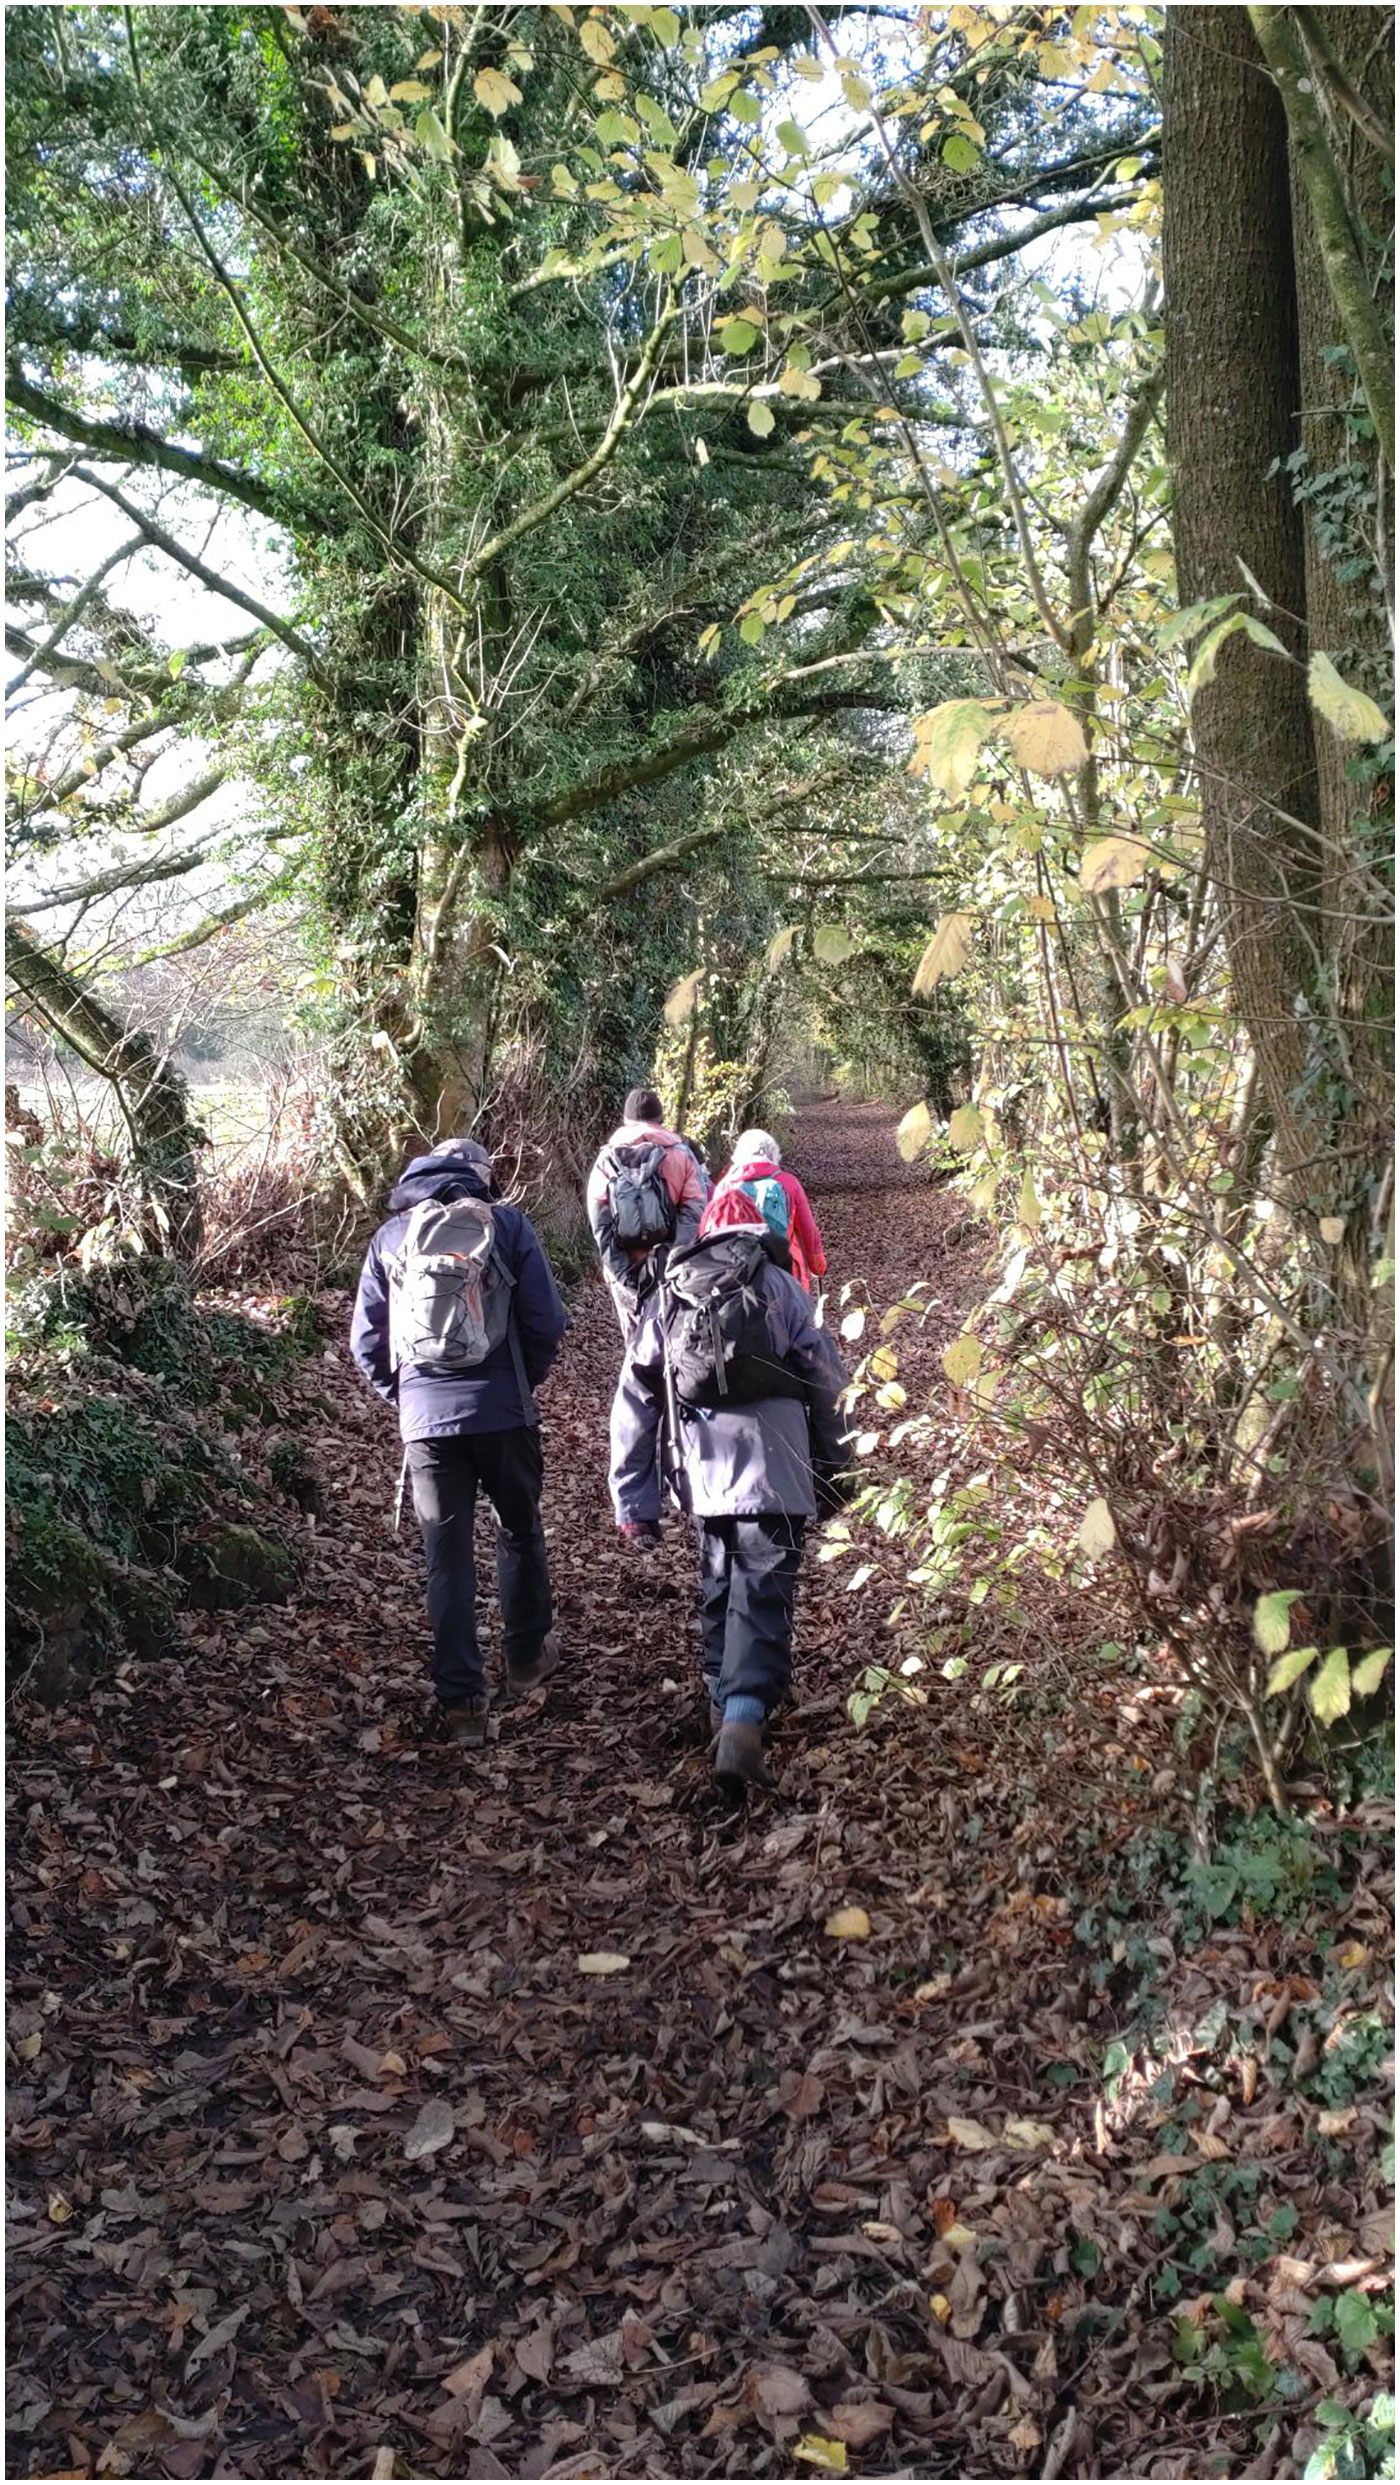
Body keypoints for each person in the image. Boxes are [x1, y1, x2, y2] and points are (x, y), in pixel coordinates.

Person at [609, 1215, 852, 1796]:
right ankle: (742, 1722)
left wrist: (633, 1496)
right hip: (777, 1462)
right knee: (762, 1589)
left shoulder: (674, 1290)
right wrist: (839, 1466)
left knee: (720, 1579)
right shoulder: (779, 1285)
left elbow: (636, 1392)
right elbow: (825, 1375)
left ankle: (721, 1707)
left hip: (702, 1468)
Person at [350, 1135, 568, 1746]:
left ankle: (462, 1701)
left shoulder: (390, 1237)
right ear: (480, 1177)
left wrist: (408, 1399)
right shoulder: (507, 1226)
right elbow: (547, 1320)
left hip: (428, 1424)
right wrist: (520, 1382)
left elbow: (366, 1342)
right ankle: (526, 1659)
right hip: (503, 1413)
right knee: (518, 1529)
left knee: (446, 1558)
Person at [587, 1086, 709, 1340]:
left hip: (626, 1267)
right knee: (673, 1337)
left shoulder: (607, 1159)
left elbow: (600, 1220)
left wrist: (620, 1270)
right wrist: (670, 1258)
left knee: (635, 1341)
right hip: (673, 1268)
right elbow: (695, 1209)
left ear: (626, 1121)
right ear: (660, 1119)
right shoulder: (681, 1155)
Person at [701, 1127, 828, 1295]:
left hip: (737, 1274)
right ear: (772, 1154)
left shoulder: (726, 1185)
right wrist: (818, 1267)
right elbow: (808, 1231)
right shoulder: (789, 1183)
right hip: (785, 1272)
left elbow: (709, 1231)